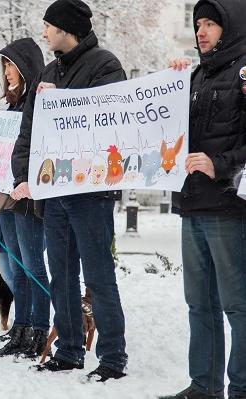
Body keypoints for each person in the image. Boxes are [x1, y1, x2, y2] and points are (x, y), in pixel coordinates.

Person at [11, 0, 128, 381]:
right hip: (54, 192)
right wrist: (21, 175)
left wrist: (60, 99)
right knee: (61, 274)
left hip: (91, 195)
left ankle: (112, 358)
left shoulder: (105, 66)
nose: (43, 33)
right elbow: (28, 132)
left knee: (98, 276)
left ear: (66, 28)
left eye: (48, 26)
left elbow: (107, 121)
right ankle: (69, 350)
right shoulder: (48, 70)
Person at [162, 1, 246, 398]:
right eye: (198, 24)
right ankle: (204, 385)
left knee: (237, 305)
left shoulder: (244, 73)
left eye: (211, 23)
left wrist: (221, 166)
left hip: (229, 208)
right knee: (199, 303)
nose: (201, 31)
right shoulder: (195, 76)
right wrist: (172, 84)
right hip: (192, 204)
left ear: (231, 27)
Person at [0, 38, 51, 361]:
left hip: (28, 200)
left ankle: (39, 329)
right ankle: (21, 326)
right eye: (4, 66)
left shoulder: (39, 102)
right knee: (16, 264)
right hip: (6, 197)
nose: (7, 72)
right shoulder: (12, 106)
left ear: (26, 66)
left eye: (11, 65)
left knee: (33, 267)